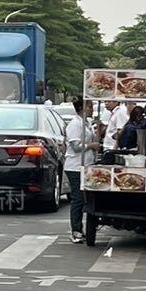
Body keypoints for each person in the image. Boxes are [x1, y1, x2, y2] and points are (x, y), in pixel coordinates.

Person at [63, 98, 94, 243]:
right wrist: (91, 146)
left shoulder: (86, 123)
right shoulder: (75, 124)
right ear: (82, 108)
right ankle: (76, 230)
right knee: (78, 199)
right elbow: (76, 147)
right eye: (90, 106)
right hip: (75, 166)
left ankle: (79, 229)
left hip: (86, 165)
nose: (92, 109)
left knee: (84, 198)